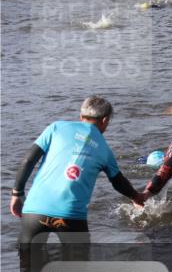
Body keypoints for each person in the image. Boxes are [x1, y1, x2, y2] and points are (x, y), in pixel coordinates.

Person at [10, 96, 146, 246]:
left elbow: (28, 161)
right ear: (105, 120)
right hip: (71, 217)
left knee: (28, 268)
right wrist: (136, 197)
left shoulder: (56, 128)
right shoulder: (105, 150)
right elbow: (118, 181)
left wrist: (17, 193)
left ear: (81, 116)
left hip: (34, 212)